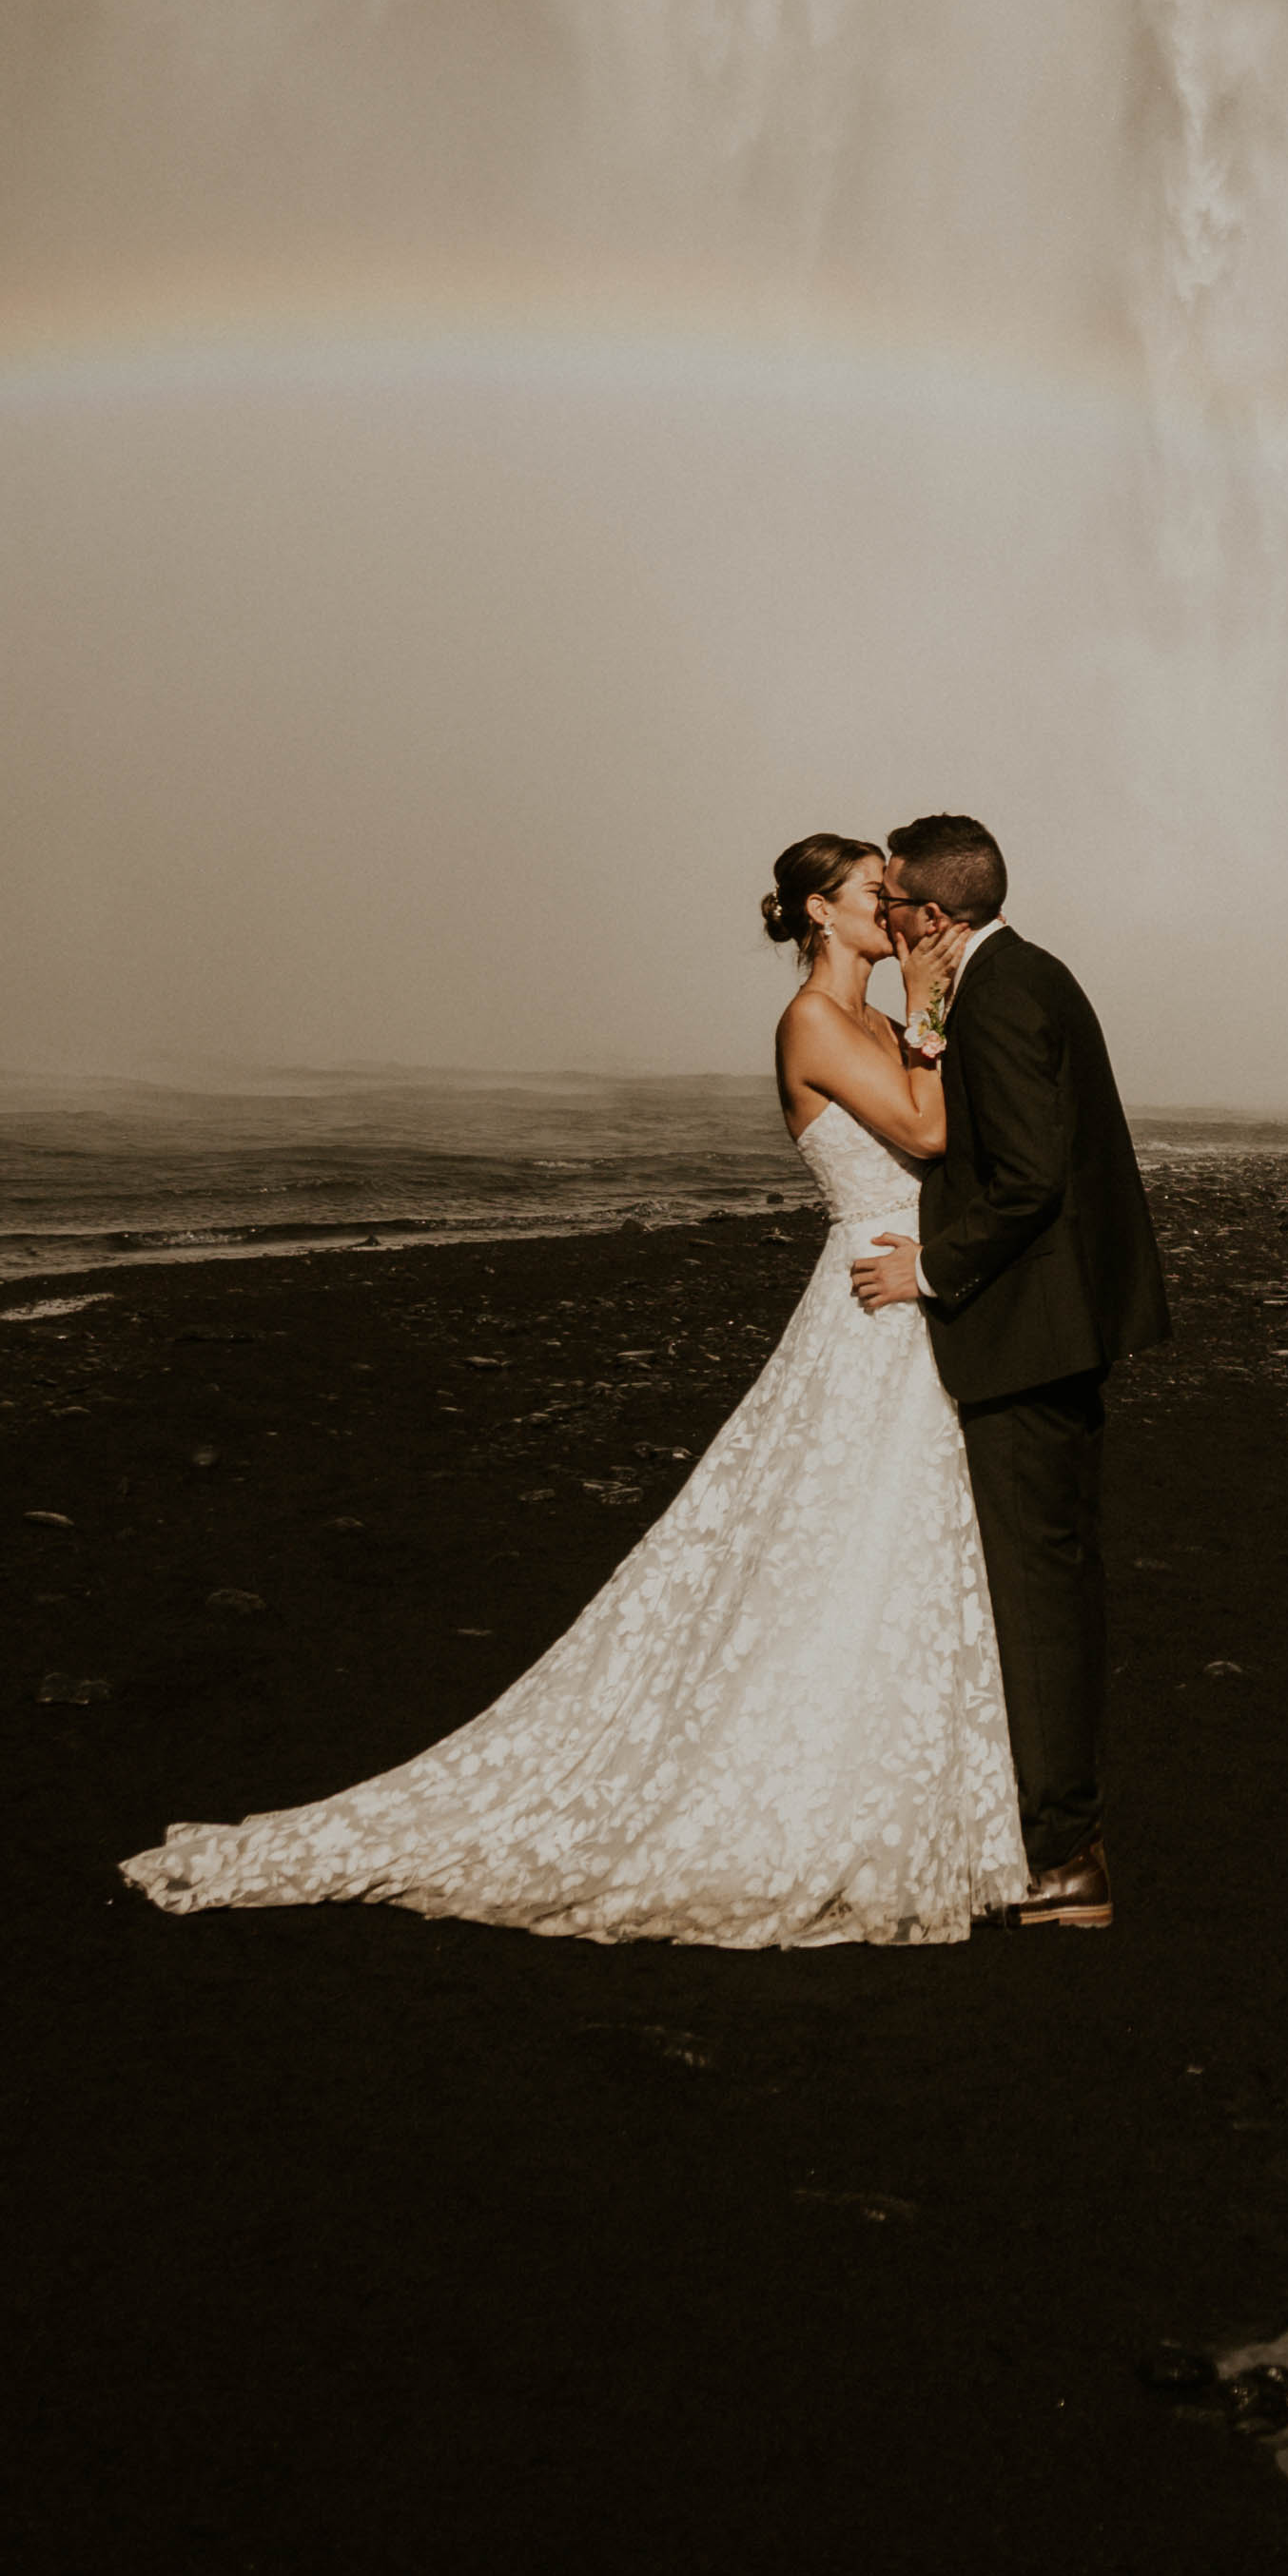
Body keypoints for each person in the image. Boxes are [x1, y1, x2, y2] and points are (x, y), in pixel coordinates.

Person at [116, 835, 1031, 1949]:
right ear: (814, 914)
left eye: (898, 896)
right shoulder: (814, 1024)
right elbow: (927, 1130)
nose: (896, 911)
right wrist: (937, 1004)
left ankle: (878, 1784)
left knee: (882, 1546)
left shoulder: (884, 1025)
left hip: (906, 1293)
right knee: (827, 1535)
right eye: (873, 896)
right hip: (870, 1295)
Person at [846, 810, 1170, 1934]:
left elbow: (1027, 1178)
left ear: (934, 915)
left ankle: (1068, 1858)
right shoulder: (1021, 977)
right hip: (1057, 1328)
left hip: (1031, 1333)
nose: (882, 916)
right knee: (1049, 1584)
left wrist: (928, 1269)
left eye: (891, 900)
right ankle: (1056, 1835)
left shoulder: (1006, 992)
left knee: (1039, 1598)